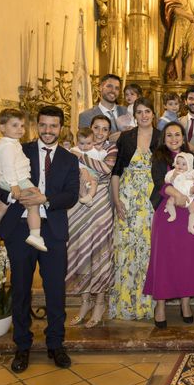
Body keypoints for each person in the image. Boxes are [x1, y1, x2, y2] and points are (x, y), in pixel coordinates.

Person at [0, 105, 79, 373]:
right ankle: (22, 346)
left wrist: (44, 199)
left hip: (53, 231)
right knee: (21, 290)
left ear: (61, 128)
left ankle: (55, 344)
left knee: (55, 291)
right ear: (37, 125)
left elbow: (71, 195)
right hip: (19, 229)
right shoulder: (17, 148)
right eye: (44, 125)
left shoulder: (69, 159)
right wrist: (13, 195)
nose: (48, 130)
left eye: (54, 126)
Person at [143, 122, 194, 328]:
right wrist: (177, 195)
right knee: (164, 258)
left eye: (177, 134)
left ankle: (185, 303)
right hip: (167, 212)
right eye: (169, 135)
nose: (173, 138)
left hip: (190, 213)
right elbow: (160, 183)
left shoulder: (191, 157)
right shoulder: (159, 157)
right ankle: (160, 305)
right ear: (164, 138)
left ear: (183, 137)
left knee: (187, 258)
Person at [109, 98, 161, 320]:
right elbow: (116, 171)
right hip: (128, 198)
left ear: (153, 113)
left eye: (147, 111)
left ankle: (146, 304)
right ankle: (125, 303)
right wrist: (116, 200)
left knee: (149, 249)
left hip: (152, 199)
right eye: (139, 112)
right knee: (126, 247)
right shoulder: (126, 137)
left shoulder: (161, 137)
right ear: (134, 115)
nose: (144, 115)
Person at [66, 114, 118, 328]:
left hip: (101, 206)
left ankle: (99, 302)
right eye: (97, 128)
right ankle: (84, 302)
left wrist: (77, 155)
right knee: (81, 252)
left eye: (105, 129)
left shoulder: (112, 148)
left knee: (99, 254)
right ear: (91, 128)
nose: (100, 132)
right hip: (79, 206)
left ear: (109, 132)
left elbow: (106, 169)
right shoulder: (82, 145)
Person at [0, 109, 46, 252]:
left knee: (1, 207)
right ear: (2, 128)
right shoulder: (8, 146)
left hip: (7, 179)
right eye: (15, 125)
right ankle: (35, 235)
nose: (20, 129)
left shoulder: (9, 143)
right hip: (17, 180)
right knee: (34, 202)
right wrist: (14, 185)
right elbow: (8, 166)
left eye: (22, 126)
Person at [163, 0, 194, 81]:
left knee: (191, 50)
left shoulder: (189, 2)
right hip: (179, 25)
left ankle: (187, 75)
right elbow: (175, 10)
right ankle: (178, 76)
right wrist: (189, 16)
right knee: (178, 51)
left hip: (190, 27)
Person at [163, 152, 194, 234]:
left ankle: (190, 226)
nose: (180, 166)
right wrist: (173, 176)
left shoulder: (192, 172)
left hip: (189, 195)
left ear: (189, 165)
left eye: (184, 164)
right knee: (169, 202)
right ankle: (173, 214)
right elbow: (166, 179)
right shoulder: (174, 172)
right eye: (177, 163)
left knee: (193, 211)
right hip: (177, 193)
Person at [71, 127, 106, 205]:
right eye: (82, 143)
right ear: (77, 142)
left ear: (93, 142)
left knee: (94, 183)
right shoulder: (75, 150)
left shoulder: (96, 151)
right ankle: (84, 195)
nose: (85, 146)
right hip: (79, 173)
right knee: (81, 180)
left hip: (93, 173)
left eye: (88, 143)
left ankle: (89, 196)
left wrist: (101, 149)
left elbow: (104, 155)